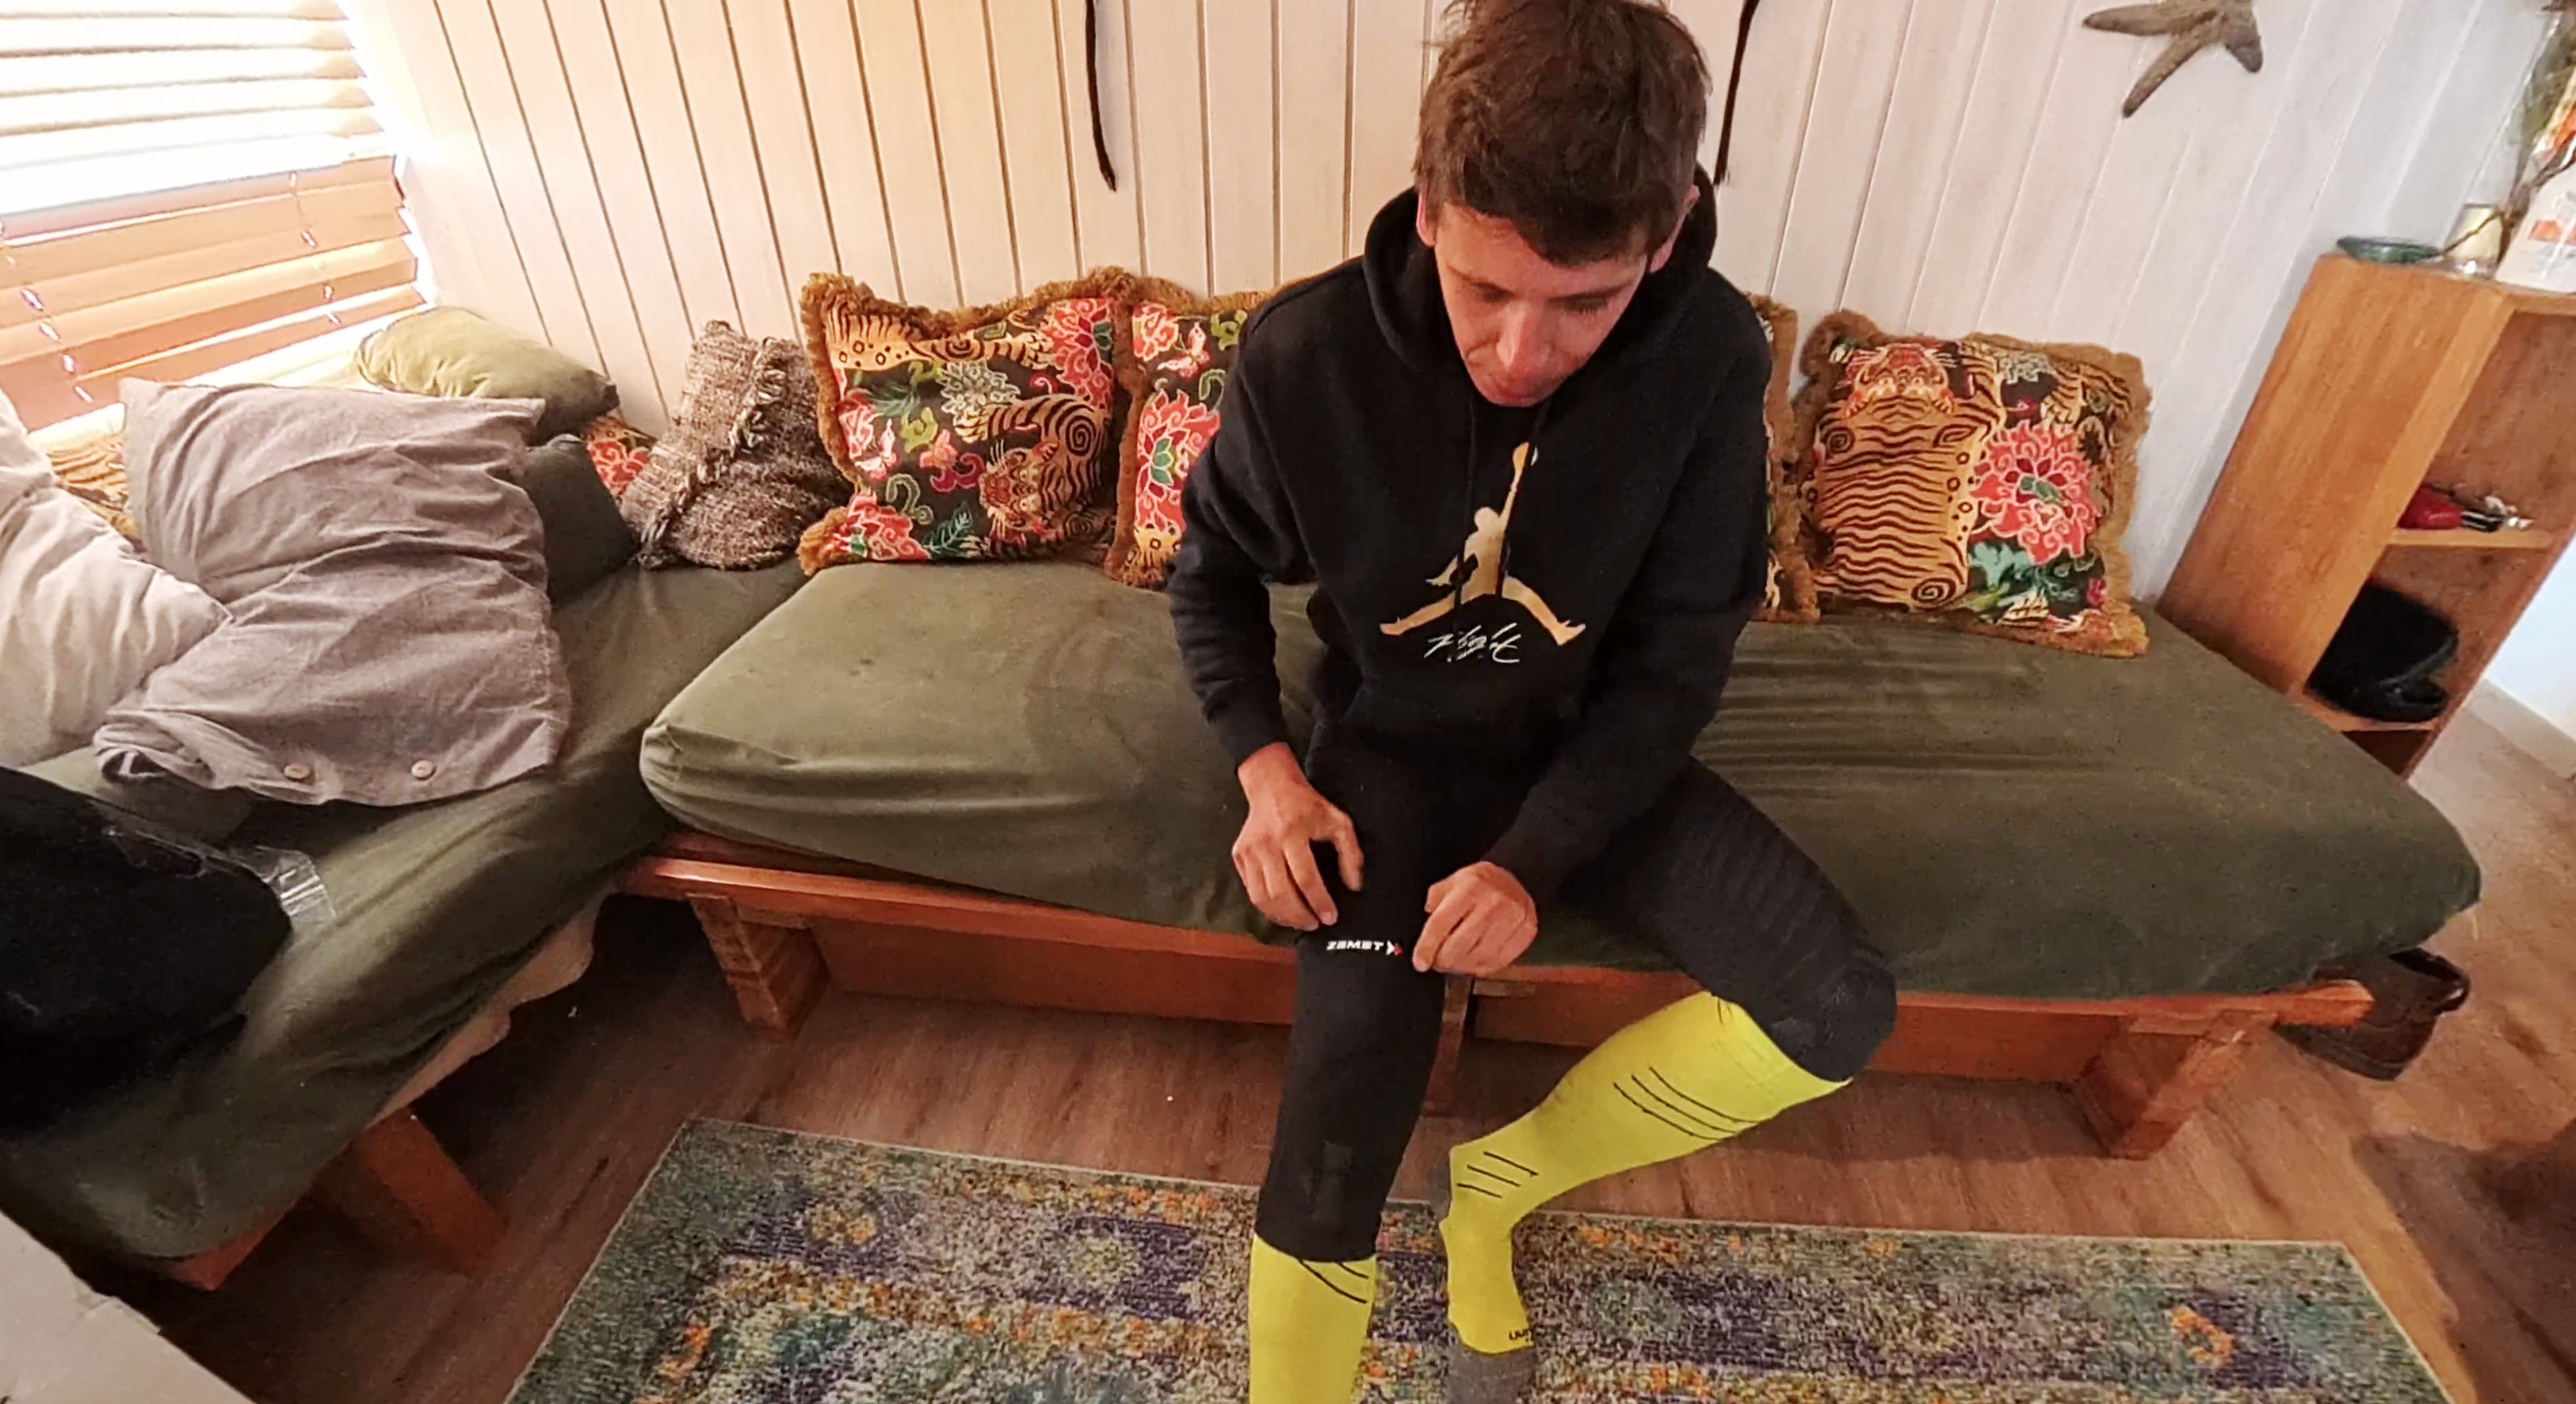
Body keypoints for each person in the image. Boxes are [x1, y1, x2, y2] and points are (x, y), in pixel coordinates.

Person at [1165, 0, 1897, 1398]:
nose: (1519, 355)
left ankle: (1497, 1191)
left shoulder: (1711, 357)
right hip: (1385, 760)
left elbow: (1679, 657)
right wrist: (1265, 771)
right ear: (1430, 209)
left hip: (1590, 756)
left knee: (1837, 1011)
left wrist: (1531, 859)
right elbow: (1208, 579)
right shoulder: (1305, 355)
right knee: (1330, 1159)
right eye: (1485, 289)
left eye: (1585, 305)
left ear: (1667, 237)